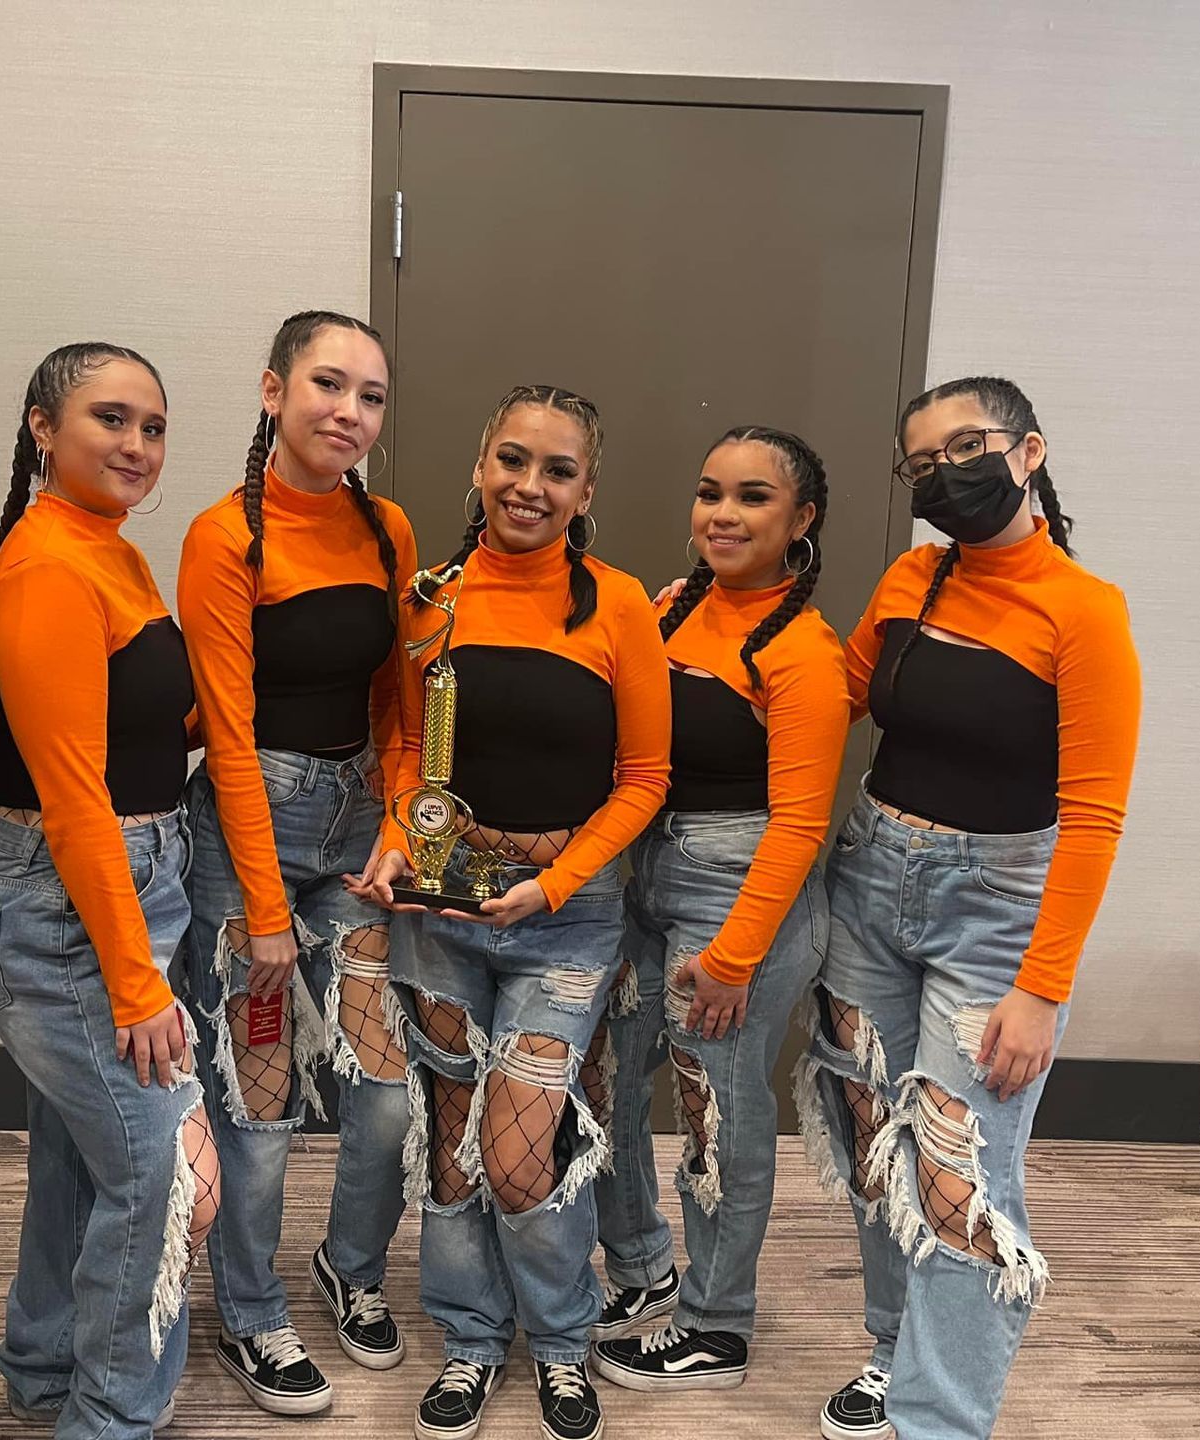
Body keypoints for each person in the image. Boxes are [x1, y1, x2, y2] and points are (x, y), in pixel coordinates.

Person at [796, 377, 1140, 1440]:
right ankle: (898, 1354)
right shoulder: (914, 574)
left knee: (958, 1172)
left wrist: (1042, 992)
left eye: (967, 446)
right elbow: (838, 691)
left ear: (1028, 450)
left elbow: (1092, 819)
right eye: (921, 461)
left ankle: (939, 1420)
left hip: (996, 914)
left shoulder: (1085, 611)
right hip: (872, 882)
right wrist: (725, 621)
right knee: (872, 1141)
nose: (945, 471)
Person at [361, 384, 670, 1440]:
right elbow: (408, 750)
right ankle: (470, 1342)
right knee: (453, 1140)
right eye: (511, 460)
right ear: (479, 466)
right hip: (439, 915)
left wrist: (562, 881)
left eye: (556, 470)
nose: (528, 487)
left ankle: (563, 1343)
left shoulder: (620, 605)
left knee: (521, 1149)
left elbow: (644, 776)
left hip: (566, 922)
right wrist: (403, 835)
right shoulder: (432, 596)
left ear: (587, 488)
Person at [0, 342, 219, 1438]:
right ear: (41, 427)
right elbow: (70, 791)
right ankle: (109, 1416)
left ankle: (44, 1366)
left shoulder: (110, 550)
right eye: (109, 419)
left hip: (134, 874)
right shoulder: (48, 564)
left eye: (152, 426)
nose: (134, 445)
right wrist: (133, 984)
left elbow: (98, 736)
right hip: (73, 904)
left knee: (85, 1150)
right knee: (165, 1177)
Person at [177, 310, 418, 1413]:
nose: (349, 413)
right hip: (250, 839)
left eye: (370, 396)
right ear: (273, 391)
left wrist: (401, 823)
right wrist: (264, 911)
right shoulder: (225, 535)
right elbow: (225, 729)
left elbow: (400, 703)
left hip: (353, 827)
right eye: (329, 386)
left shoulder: (389, 529)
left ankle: (349, 1270)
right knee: (260, 1102)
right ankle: (252, 1313)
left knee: (382, 1088)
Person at [589, 426, 849, 1393]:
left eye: (753, 498)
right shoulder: (672, 605)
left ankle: (716, 1323)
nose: (724, 515)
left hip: (742, 897)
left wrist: (736, 960)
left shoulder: (805, 653)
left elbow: (798, 828)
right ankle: (643, 1267)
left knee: (715, 1115)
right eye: (711, 493)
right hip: (650, 878)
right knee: (606, 1077)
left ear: (801, 520)